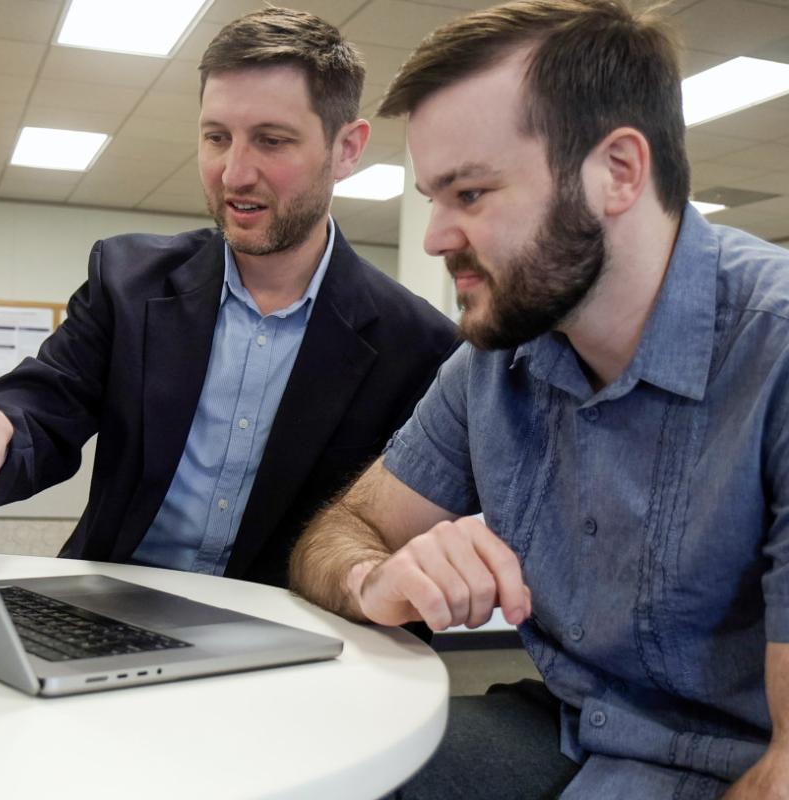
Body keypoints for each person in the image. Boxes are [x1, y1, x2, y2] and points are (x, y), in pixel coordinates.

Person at [289, 1, 789, 797]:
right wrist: (373, 578)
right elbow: (338, 534)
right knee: (321, 772)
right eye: (434, 196)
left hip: (743, 758)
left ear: (618, 171)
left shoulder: (776, 350)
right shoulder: (497, 359)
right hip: (574, 726)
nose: (433, 237)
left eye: (472, 194)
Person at [0, 7, 459, 589]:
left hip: (281, 635)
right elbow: (42, 412)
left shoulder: (418, 345)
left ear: (347, 150)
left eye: (271, 141)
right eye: (216, 138)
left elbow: (386, 537)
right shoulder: (125, 281)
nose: (234, 173)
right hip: (110, 608)